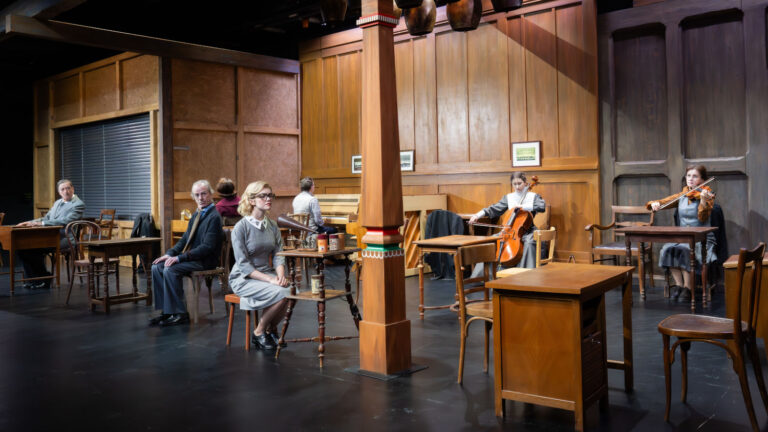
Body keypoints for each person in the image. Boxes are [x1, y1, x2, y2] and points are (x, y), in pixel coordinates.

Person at [149, 180, 223, 327]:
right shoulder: (197, 215)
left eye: (204, 194)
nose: (200, 198)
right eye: (197, 195)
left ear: (210, 194)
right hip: (194, 258)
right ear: (193, 197)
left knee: (170, 269)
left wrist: (179, 258)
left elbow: (207, 247)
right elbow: (184, 240)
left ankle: (180, 313)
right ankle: (167, 312)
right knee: (156, 267)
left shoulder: (214, 217)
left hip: (205, 261)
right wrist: (170, 254)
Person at [229, 181, 290, 351]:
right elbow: (244, 265)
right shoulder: (240, 228)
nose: (268, 199)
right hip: (243, 278)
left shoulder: (272, 225)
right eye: (263, 195)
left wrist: (280, 276)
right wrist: (271, 280)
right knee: (282, 292)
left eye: (270, 195)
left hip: (266, 273)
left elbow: (279, 254)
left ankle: (270, 330)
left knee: (291, 291)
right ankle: (259, 331)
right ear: (252, 200)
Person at [647, 165, 716, 300]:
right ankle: (679, 285)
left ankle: (688, 288)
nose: (690, 179)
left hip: (702, 239)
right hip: (683, 237)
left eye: (695, 176)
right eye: (688, 175)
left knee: (685, 250)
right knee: (667, 249)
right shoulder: (683, 195)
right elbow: (663, 202)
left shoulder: (707, 196)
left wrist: (703, 200)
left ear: (702, 180)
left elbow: (702, 217)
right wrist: (654, 204)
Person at [16, 179, 85, 289]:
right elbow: (47, 218)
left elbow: (65, 221)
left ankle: (44, 279)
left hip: (65, 239)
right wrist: (30, 222)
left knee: (34, 248)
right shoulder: (57, 202)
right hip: (51, 237)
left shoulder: (78, 204)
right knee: (23, 248)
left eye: (68, 188)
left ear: (73, 189)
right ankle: (34, 280)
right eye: (62, 189)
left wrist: (41, 224)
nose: (66, 191)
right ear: (59, 192)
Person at [468, 172, 546, 269]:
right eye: (514, 184)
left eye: (519, 183)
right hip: (509, 230)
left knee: (530, 243)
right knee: (490, 241)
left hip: (528, 230)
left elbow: (541, 207)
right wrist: (477, 215)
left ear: (525, 183)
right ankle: (485, 274)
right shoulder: (509, 197)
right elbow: (494, 208)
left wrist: (523, 206)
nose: (517, 187)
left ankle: (526, 273)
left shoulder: (533, 196)